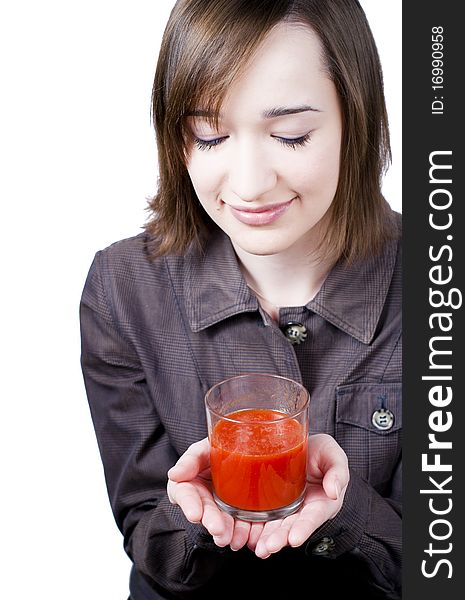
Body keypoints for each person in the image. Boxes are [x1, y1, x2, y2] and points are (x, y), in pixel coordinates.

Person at [80, 0, 401, 598]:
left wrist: (346, 509)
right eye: (211, 136)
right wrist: (192, 514)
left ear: (356, 122)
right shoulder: (124, 290)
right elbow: (149, 542)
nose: (249, 184)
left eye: (290, 135)